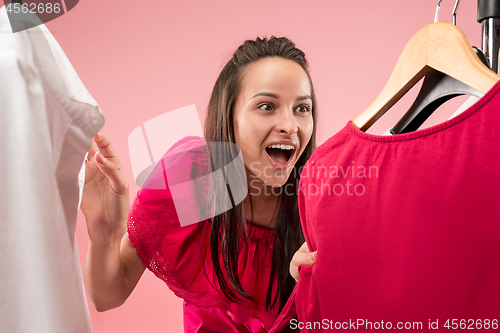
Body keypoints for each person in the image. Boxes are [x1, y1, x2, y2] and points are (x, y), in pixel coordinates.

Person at [81, 36, 317, 332]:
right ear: (229, 114)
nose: (290, 125)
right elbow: (107, 296)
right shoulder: (194, 183)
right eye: (267, 106)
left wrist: (308, 290)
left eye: (302, 108)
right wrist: (103, 231)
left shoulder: (321, 206)